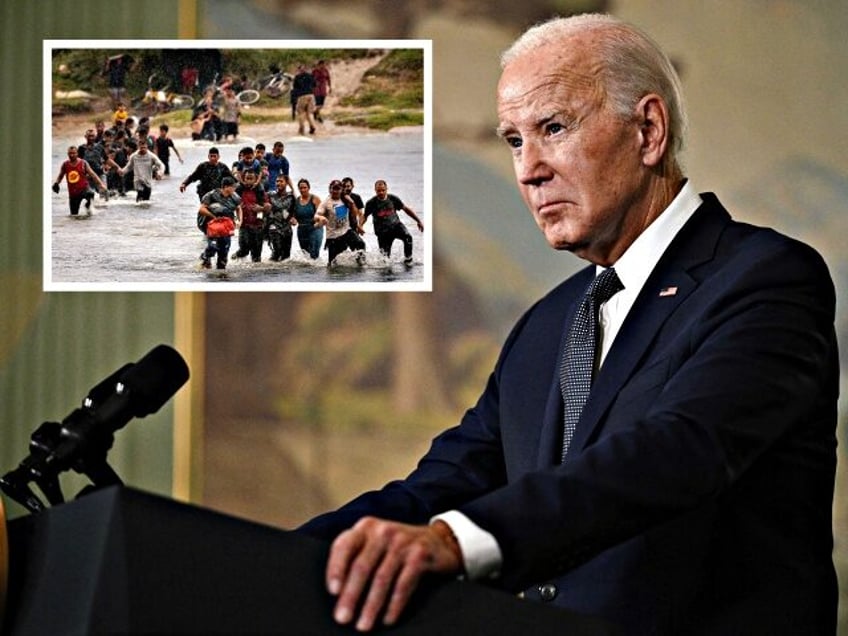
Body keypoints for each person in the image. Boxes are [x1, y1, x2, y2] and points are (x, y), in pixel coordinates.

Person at [297, 13, 839, 635]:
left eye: (553, 128)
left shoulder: (763, 279)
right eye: (513, 140)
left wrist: (459, 541)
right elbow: (451, 480)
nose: (529, 169)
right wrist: (288, 556)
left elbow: (675, 452)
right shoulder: (548, 324)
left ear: (648, 130)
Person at [363, 179, 424, 264]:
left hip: (396, 226)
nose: (381, 192)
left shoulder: (393, 199)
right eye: (378, 191)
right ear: (375, 190)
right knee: (385, 260)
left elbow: (406, 209)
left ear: (386, 189)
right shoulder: (371, 203)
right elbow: (364, 216)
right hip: (382, 232)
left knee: (408, 237)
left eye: (383, 190)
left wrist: (418, 221)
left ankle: (408, 260)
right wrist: (360, 227)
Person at [314, 179, 365, 265]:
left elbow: (354, 214)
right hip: (333, 236)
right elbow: (316, 215)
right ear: (330, 189)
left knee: (360, 244)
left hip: (346, 231)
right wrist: (321, 218)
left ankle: (360, 265)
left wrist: (352, 203)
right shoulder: (326, 202)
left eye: (338, 189)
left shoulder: (345, 199)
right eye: (333, 188)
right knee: (333, 264)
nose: (335, 191)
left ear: (341, 190)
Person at [198, 176, 241, 270]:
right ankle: (205, 257)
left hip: (226, 227)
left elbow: (238, 208)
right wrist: (214, 217)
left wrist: (239, 220)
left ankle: (221, 275)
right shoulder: (211, 195)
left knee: (223, 253)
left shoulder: (235, 196)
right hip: (212, 226)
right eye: (232, 187)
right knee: (212, 247)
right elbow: (201, 209)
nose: (234, 189)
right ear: (225, 187)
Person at [52, 146, 106, 216]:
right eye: (70, 153)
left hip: (84, 189)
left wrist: (101, 184)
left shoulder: (83, 163)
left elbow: (93, 174)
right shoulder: (65, 164)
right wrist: (56, 183)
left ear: (77, 153)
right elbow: (60, 176)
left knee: (90, 194)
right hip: (73, 193)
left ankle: (88, 206)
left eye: (74, 153)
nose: (72, 155)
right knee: (74, 215)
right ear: (67, 154)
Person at [232, 169, 269, 262]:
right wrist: (237, 207)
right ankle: (232, 259)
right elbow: (230, 205)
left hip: (258, 226)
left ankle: (255, 275)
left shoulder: (260, 191)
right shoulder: (238, 190)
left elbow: (268, 207)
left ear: (255, 179)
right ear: (243, 179)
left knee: (256, 257)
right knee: (243, 251)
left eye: (251, 178)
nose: (249, 181)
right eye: (247, 178)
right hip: (244, 226)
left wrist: (261, 209)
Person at [266, 174, 296, 261]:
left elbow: (295, 210)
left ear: (286, 183)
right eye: (277, 181)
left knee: (286, 256)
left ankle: (283, 274)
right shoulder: (270, 195)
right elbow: (260, 199)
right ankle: (272, 272)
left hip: (287, 227)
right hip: (274, 226)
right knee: (277, 252)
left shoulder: (291, 196)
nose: (278, 183)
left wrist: (294, 218)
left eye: (281, 181)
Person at [292, 178, 323, 259]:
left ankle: (316, 271)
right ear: (298, 189)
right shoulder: (297, 200)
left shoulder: (315, 199)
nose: (303, 190)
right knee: (305, 255)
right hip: (302, 230)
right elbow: (294, 215)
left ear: (309, 188)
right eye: (301, 188)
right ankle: (307, 272)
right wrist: (293, 220)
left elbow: (322, 214)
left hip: (314, 228)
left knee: (314, 254)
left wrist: (317, 221)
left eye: (305, 187)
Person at [292, 65, 317, 135]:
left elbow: (295, 88)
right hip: (311, 95)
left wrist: (295, 98)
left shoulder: (297, 77)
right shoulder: (310, 76)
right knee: (310, 113)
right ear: (305, 69)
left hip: (302, 96)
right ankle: (312, 126)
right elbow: (315, 85)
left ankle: (302, 129)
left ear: (299, 70)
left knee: (301, 112)